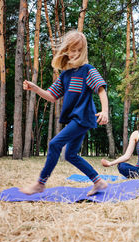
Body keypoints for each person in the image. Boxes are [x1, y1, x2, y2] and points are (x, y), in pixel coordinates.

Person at [20, 30, 109, 196]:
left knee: (54, 144)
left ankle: (40, 183)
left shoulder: (87, 70)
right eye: (72, 50)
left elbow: (101, 90)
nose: (75, 54)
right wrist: (35, 88)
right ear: (66, 51)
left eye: (78, 50)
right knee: (70, 155)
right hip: (75, 120)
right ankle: (98, 181)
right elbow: (52, 96)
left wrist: (105, 111)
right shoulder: (65, 75)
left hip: (83, 117)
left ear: (83, 51)